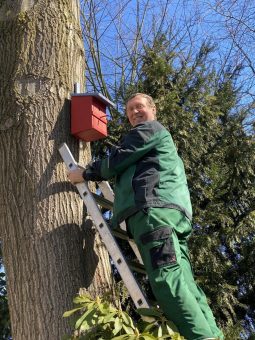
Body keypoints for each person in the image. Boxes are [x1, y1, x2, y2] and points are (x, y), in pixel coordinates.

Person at [67, 93, 224, 340]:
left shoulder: (149, 130)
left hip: (153, 213)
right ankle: (213, 335)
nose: (134, 112)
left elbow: (118, 159)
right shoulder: (153, 140)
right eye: (129, 110)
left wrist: (86, 173)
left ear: (153, 109)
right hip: (169, 214)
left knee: (166, 283)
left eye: (139, 107)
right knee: (186, 284)